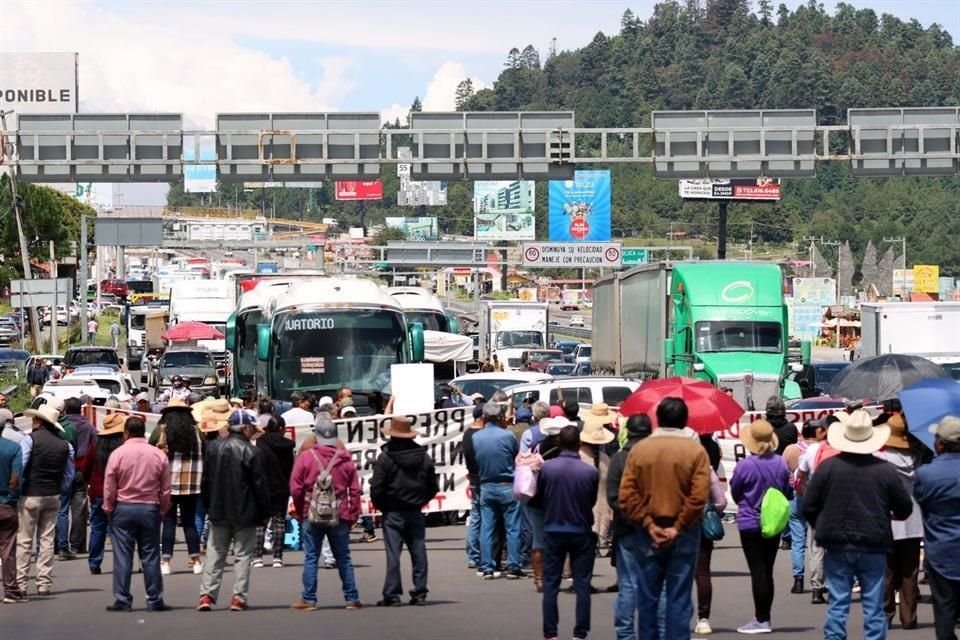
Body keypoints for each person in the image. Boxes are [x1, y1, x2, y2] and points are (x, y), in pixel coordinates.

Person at [803, 409, 913, 640]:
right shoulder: (884, 470)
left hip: (837, 542)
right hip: (873, 542)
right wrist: (891, 515)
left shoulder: (828, 468)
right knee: (874, 605)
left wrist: (822, 524)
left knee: (838, 603)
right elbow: (904, 507)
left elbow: (809, 505)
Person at [619, 397, 710, 640]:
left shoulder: (640, 450)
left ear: (657, 418)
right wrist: (678, 526)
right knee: (679, 600)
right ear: (685, 420)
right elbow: (699, 496)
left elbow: (627, 494)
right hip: (685, 532)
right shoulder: (695, 451)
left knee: (648, 598)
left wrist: (649, 525)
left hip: (646, 532)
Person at [197, 410, 271, 612]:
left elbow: (205, 482)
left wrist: (208, 505)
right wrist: (265, 512)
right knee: (243, 555)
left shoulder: (213, 448)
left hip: (219, 509)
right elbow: (260, 485)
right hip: (245, 510)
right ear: (245, 428)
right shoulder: (252, 452)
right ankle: (238, 597)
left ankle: (206, 595)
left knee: (215, 553)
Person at [289, 415, 363, 611]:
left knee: (311, 556)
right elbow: (355, 490)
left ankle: (309, 599)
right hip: (340, 514)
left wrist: (299, 509)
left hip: (311, 513)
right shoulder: (346, 459)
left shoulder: (305, 457)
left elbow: (295, 488)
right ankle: (351, 598)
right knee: (343, 557)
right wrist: (354, 513)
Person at [102, 416, 172, 612]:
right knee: (150, 555)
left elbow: (110, 485)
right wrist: (163, 508)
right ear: (144, 432)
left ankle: (122, 599)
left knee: (123, 555)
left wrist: (108, 507)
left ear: (126, 433)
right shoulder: (158, 455)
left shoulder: (118, 454)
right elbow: (166, 487)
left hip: (123, 507)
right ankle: (154, 599)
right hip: (150, 507)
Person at [730, 419, 793, 634]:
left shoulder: (744, 466)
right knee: (767, 570)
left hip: (749, 521)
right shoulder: (781, 463)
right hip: (773, 522)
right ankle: (765, 616)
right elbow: (787, 490)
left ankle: (761, 619)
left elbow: (736, 493)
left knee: (757, 571)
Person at [539, 425, 600, 640]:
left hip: (553, 528)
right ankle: (580, 633)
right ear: (579, 444)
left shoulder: (547, 468)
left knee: (551, 584)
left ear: (558, 443)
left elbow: (541, 495)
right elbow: (591, 500)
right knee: (582, 584)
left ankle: (550, 632)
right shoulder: (590, 471)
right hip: (581, 529)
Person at [370, 415, 439, 606]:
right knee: (418, 551)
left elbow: (377, 487)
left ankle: (392, 594)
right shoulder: (423, 456)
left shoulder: (385, 458)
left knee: (393, 553)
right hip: (414, 510)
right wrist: (420, 501)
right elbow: (432, 486)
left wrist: (383, 506)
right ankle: (420, 592)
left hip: (393, 511)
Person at [16, 405, 74, 597]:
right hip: (53, 495)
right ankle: (44, 583)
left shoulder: (29, 441)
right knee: (47, 540)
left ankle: (21, 583)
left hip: (30, 494)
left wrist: (19, 488)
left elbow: (21, 467)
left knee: (24, 541)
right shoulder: (65, 445)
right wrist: (59, 489)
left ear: (39, 422)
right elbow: (68, 476)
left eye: (34, 419)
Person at [875, 414, 924, 630]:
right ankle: (909, 617)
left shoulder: (880, 459)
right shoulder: (919, 459)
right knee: (910, 573)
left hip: (888, 521)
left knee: (887, 572)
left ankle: (886, 615)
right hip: (914, 521)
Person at [607, 414, 653, 640]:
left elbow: (613, 498)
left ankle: (625, 634)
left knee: (628, 585)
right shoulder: (656, 458)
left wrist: (630, 515)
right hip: (653, 528)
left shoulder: (618, 458)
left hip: (626, 529)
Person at [914, 416, 960, 640]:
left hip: (941, 553)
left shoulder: (926, 474)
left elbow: (921, 500)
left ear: (940, 443)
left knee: (944, 615)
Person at [472, 400, 523, 579]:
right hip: (507, 485)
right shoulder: (507, 436)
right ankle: (514, 566)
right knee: (513, 528)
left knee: (487, 527)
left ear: (485, 417)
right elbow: (515, 456)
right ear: (500, 417)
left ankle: (487, 566)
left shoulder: (476, 437)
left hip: (487, 486)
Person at [158, 400, 204, 576]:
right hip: (191, 483)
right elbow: (205, 451)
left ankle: (166, 561)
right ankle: (196, 561)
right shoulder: (196, 432)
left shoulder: (163, 431)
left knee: (168, 523)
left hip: (168, 483)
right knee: (189, 522)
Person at [693, 434, 729, 636]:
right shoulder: (707, 470)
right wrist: (711, 509)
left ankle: (676, 615)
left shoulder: (671, 468)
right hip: (700, 524)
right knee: (703, 572)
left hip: (675, 525)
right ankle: (704, 617)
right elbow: (721, 501)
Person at [796, 416, 833, 604]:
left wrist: (805, 490)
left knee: (816, 547)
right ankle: (836, 584)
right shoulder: (842, 451)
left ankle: (817, 588)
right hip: (837, 503)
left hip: (817, 503)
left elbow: (800, 475)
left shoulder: (811, 451)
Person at [57, 397, 97, 560]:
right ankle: (77, 544)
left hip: (63, 469)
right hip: (81, 471)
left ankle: (59, 544)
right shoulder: (88, 427)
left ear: (65, 410)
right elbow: (94, 447)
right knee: (79, 509)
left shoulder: (61, 426)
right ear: (80, 409)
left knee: (61, 509)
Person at [86, 413, 125, 575]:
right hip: (119, 493)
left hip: (97, 492)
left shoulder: (96, 446)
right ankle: (122, 562)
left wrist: (90, 482)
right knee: (120, 530)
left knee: (97, 528)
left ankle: (94, 562)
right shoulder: (123, 447)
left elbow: (86, 468)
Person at [253, 415, 295, 568]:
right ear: (282, 429)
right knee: (279, 522)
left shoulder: (260, 442)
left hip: (263, 487)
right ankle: (278, 557)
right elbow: (291, 468)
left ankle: (257, 556)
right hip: (281, 487)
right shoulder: (288, 446)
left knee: (260, 522)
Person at [783, 420, 819, 596]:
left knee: (798, 541)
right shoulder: (821, 450)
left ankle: (798, 580)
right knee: (816, 543)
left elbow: (783, 473)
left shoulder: (791, 450)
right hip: (817, 499)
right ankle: (817, 581)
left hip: (796, 497)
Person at [579, 404, 616, 556]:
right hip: (602, 503)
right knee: (601, 503)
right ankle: (601, 538)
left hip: (581, 515)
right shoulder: (606, 460)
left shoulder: (578, 457)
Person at [0, 413, 23, 603]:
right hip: (5, 505)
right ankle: (10, 591)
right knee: (7, 551)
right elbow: (15, 480)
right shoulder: (13, 448)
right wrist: (12, 500)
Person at [462, 404, 485, 571]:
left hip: (474, 478)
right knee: (486, 518)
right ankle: (483, 555)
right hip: (484, 479)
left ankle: (473, 555)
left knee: (476, 516)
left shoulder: (467, 434)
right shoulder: (481, 435)